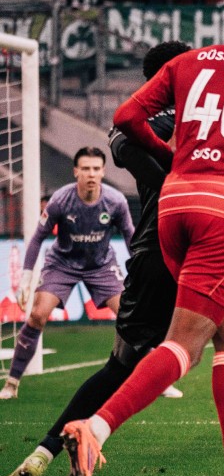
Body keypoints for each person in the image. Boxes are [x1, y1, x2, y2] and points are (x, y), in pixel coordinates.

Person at [0, 41, 224, 476]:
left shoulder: (143, 127)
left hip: (154, 250)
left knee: (121, 363)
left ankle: (40, 455)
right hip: (214, 238)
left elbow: (127, 145)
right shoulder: (222, 127)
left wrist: (177, 171)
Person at [0, 148, 134, 400]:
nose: (91, 174)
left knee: (131, 319)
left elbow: (130, 236)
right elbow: (38, 237)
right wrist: (26, 278)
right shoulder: (61, 200)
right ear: (76, 172)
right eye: (86, 169)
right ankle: (12, 383)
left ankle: (153, 379)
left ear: (103, 171)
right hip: (62, 264)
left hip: (102, 265)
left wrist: (139, 269)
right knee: (37, 315)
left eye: (96, 169)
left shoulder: (116, 201)